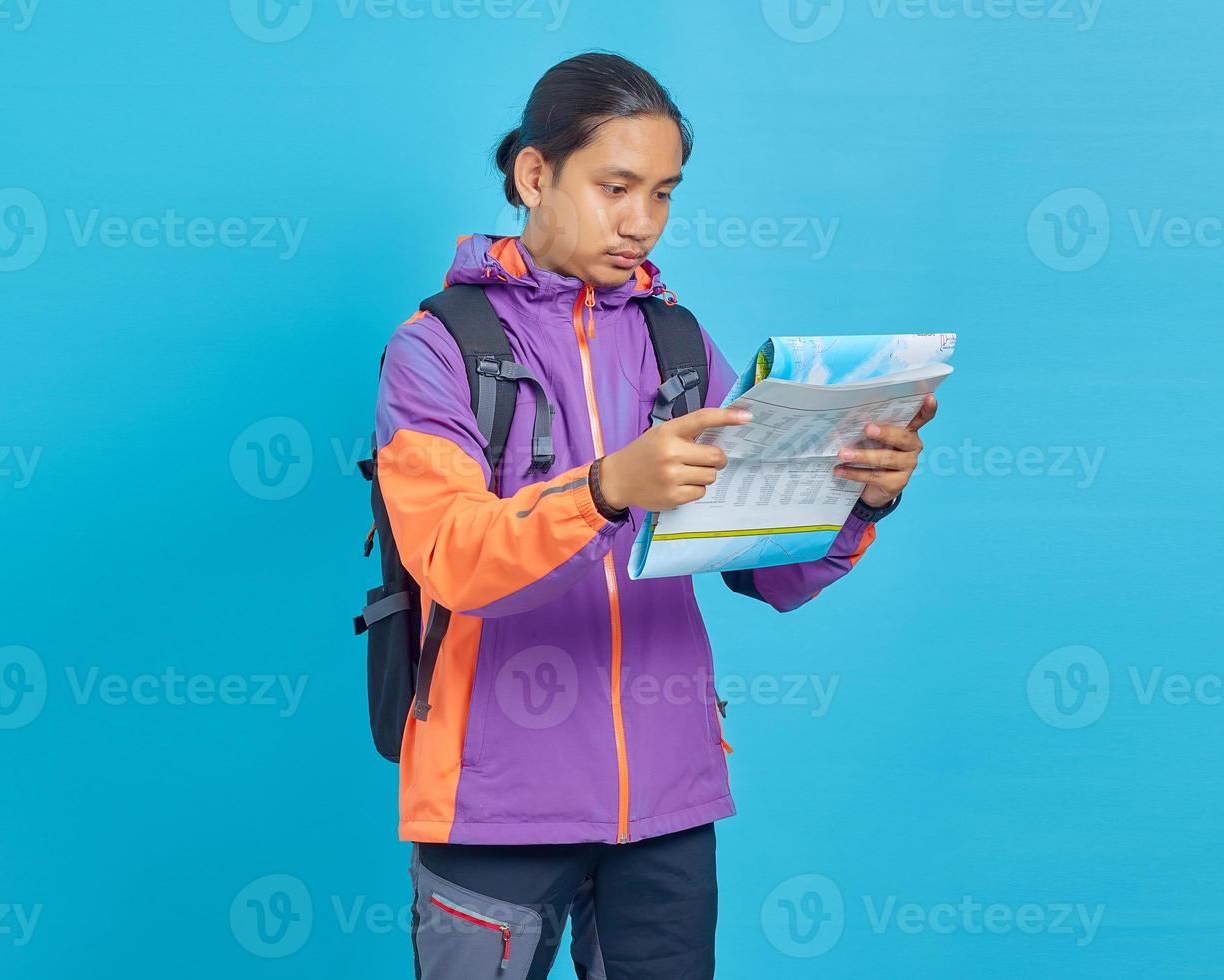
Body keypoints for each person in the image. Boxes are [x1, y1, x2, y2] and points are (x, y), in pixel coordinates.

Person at [374, 51, 938, 980]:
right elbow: (451, 559)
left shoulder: (676, 343)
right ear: (533, 174)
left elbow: (771, 569)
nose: (642, 224)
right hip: (493, 799)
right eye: (616, 187)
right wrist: (605, 489)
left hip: (668, 805)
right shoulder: (438, 349)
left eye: (664, 193)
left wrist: (861, 493)